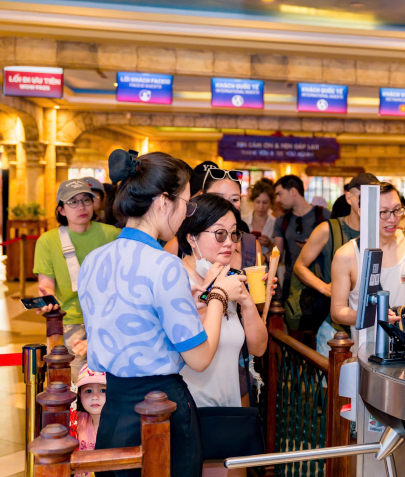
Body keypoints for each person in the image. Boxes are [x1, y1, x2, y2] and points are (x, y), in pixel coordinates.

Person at [79, 150, 249, 477]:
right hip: (162, 411)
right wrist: (217, 296)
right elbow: (199, 358)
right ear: (163, 202)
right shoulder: (165, 265)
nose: (186, 213)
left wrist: (190, 303)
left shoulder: (93, 259)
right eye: (186, 203)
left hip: (114, 408)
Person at [176, 193, 267, 418]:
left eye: (233, 233)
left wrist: (246, 300)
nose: (229, 243)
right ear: (192, 238)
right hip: (191, 412)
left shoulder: (227, 278)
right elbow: (196, 348)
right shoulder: (176, 279)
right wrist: (213, 293)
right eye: (219, 234)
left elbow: (258, 348)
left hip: (229, 410)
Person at [33, 179, 121, 382]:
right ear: (61, 210)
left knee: (110, 385)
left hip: (109, 322)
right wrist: (47, 298)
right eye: (72, 202)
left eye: (86, 200)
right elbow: (46, 286)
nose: (81, 207)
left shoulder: (112, 234)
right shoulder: (48, 241)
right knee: (73, 385)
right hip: (70, 323)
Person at [330, 182, 405, 347]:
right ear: (362, 212)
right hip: (369, 352)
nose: (393, 219)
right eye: (383, 212)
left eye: (397, 210)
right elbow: (337, 311)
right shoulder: (347, 255)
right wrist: (373, 316)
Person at [294, 173, 379, 355]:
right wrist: (324, 288)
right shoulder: (328, 229)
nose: (370, 202)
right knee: (333, 374)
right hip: (336, 328)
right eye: (363, 196)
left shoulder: (380, 233)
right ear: (349, 198)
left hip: (372, 326)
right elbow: (300, 265)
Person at [273, 175, 331, 325]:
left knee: (321, 329)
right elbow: (277, 254)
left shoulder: (324, 215)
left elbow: (336, 248)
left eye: (280, 193)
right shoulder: (282, 221)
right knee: (293, 327)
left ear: (293, 191)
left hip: (321, 281)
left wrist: (315, 246)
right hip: (292, 282)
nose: (277, 199)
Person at [69, 365, 106, 477]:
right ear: (80, 395)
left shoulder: (119, 428)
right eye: (88, 391)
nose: (95, 397)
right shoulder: (77, 420)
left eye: (103, 390)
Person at [249, 180, 276, 256]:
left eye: (265, 202)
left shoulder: (275, 223)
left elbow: (279, 253)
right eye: (257, 202)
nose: (261, 207)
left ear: (271, 203)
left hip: (266, 263)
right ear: (252, 201)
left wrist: (269, 244)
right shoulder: (243, 220)